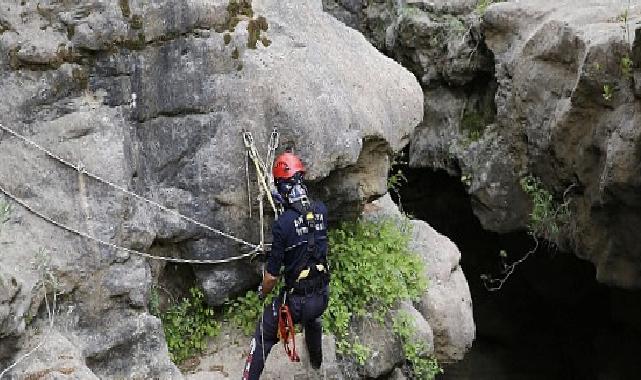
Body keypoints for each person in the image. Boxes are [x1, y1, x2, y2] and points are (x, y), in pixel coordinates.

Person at [242, 152, 330, 380]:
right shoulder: (321, 211)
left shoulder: (282, 225)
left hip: (296, 304)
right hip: (321, 297)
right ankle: (317, 362)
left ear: (282, 187)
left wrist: (262, 291)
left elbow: (271, 277)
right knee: (313, 318)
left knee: (263, 333)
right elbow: (307, 235)